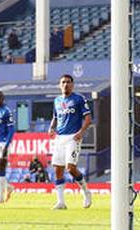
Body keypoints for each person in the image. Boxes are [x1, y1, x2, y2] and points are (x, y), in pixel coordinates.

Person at [48, 74, 93, 210]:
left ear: (72, 85)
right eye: (63, 82)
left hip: (73, 137)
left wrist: (81, 132)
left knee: (70, 168)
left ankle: (86, 192)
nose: (65, 84)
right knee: (57, 170)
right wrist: (51, 127)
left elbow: (88, 118)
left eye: (68, 82)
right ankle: (61, 202)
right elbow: (55, 117)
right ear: (59, 85)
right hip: (59, 138)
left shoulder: (79, 99)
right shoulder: (57, 101)